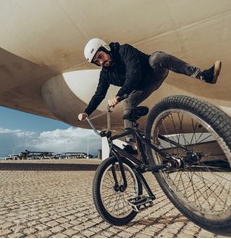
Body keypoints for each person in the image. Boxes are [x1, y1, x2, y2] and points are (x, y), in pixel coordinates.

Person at [77, 38, 221, 153]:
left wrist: (119, 95)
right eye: (97, 61)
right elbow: (99, 94)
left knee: (156, 57)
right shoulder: (105, 74)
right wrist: (86, 112)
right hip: (141, 88)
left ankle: (203, 75)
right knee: (128, 104)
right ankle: (131, 145)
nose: (102, 62)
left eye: (100, 56)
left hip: (154, 72)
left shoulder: (124, 50)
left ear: (105, 48)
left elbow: (134, 74)